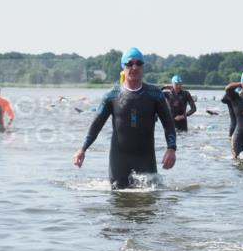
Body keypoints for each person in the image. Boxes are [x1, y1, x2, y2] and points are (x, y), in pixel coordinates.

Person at [72, 48, 177, 189]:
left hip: (146, 158)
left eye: (138, 63)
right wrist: (82, 149)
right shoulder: (112, 95)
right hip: (119, 160)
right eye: (129, 63)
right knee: (118, 202)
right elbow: (97, 124)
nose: (134, 67)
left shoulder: (155, 94)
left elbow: (168, 123)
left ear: (143, 66)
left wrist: (171, 148)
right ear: (123, 67)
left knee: (148, 205)